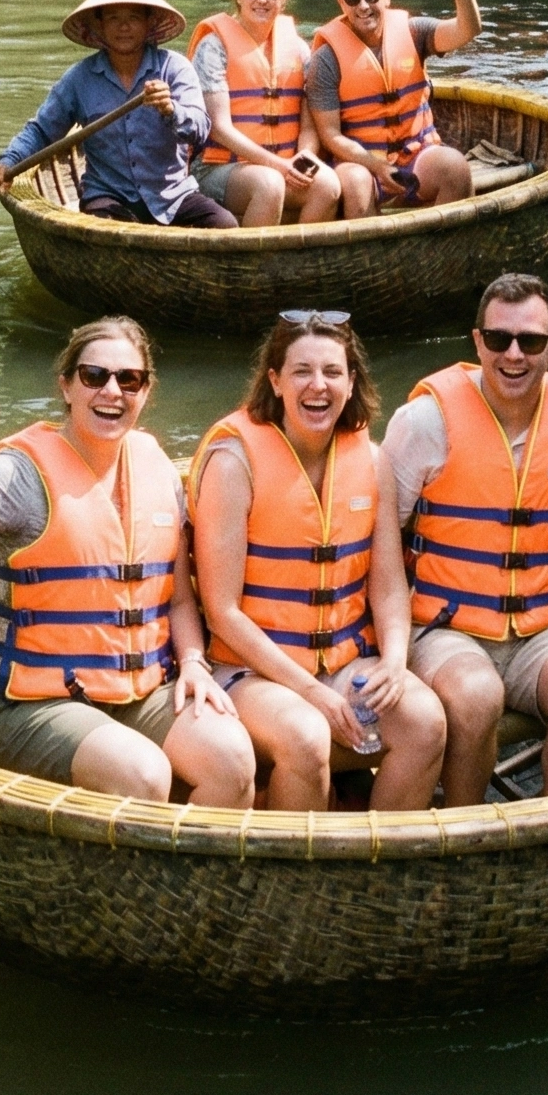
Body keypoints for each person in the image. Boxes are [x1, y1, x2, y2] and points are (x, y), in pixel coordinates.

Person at [0, 322, 255, 805]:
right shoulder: (19, 473)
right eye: (94, 375)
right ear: (66, 385)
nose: (112, 391)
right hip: (33, 702)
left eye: (129, 380)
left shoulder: (157, 468)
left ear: (145, 392)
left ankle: (193, 882)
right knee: (144, 773)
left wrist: (193, 662)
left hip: (139, 693)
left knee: (233, 759)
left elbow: (180, 599)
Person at [189, 314, 448, 810]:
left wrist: (394, 661)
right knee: (307, 736)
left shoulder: (371, 462)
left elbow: (389, 588)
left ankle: (372, 867)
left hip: (343, 663)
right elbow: (222, 611)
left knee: (425, 722)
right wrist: (313, 692)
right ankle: (293, 884)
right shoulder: (233, 462)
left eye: (332, 372)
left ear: (351, 383)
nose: (318, 385)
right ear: (275, 381)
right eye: (302, 371)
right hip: (249, 672)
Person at [386, 274, 548, 805]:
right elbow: (382, 541)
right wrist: (394, 637)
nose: (514, 354)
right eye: (499, 339)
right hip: (444, 626)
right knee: (476, 695)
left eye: (530, 341)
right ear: (477, 342)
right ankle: (468, 828)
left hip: (543, 629)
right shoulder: (423, 422)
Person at [0, 0, 237, 227]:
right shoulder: (79, 78)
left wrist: (171, 110)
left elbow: (200, 130)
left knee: (225, 225)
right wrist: (6, 163)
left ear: (149, 24)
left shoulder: (175, 68)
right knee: (109, 234)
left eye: (133, 18)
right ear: (100, 26)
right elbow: (41, 131)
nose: (123, 27)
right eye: (113, 19)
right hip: (108, 198)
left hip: (171, 195)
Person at [308, 0, 481, 215]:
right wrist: (377, 166)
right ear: (342, 3)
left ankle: (440, 251)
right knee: (355, 182)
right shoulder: (325, 60)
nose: (363, 5)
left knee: (455, 167)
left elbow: (467, 30)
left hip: (416, 155)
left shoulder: (415, 32)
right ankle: (371, 256)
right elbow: (330, 135)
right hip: (361, 163)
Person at [187, 0, 342, 227]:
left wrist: (303, 156)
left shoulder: (299, 49)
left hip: (281, 165)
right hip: (217, 169)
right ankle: (252, 269)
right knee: (269, 184)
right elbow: (219, 129)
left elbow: (308, 125)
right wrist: (278, 166)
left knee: (327, 183)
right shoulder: (213, 47)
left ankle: (297, 261)